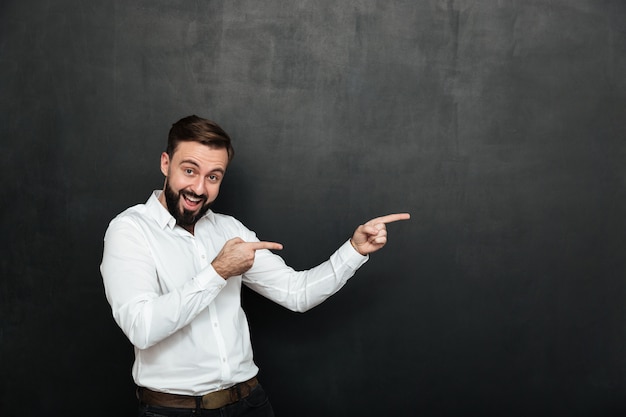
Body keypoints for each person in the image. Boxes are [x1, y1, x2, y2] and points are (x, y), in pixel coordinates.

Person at [100, 115, 410, 417]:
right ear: (166, 164)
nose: (199, 188)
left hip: (250, 403)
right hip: (174, 410)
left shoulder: (229, 230)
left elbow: (296, 293)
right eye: (189, 170)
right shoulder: (130, 229)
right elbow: (141, 327)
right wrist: (219, 270)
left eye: (213, 176)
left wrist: (354, 250)